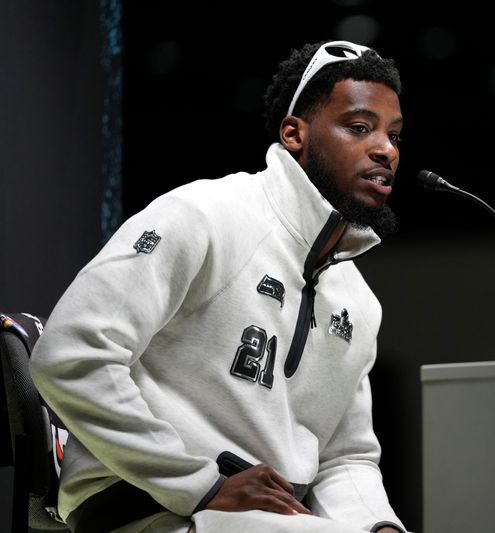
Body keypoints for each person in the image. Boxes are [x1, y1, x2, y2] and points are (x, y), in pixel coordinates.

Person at [30, 39, 407, 533]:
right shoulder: (204, 215)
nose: (386, 150)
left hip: (264, 522)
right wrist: (198, 484)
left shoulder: (358, 302)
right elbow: (72, 354)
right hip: (147, 509)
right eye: (359, 128)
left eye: (394, 135)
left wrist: (377, 524)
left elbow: (345, 456)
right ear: (294, 133)